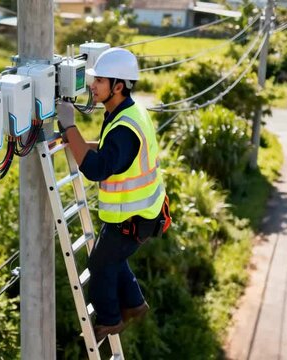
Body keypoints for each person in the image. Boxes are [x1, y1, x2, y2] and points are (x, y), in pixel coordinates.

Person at [56, 47, 171, 342]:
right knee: (114, 259)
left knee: (100, 264)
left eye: (99, 81)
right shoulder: (126, 113)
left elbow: (97, 169)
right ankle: (135, 305)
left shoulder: (124, 128)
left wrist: (70, 126)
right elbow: (109, 151)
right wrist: (77, 140)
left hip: (133, 218)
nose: (92, 86)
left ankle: (111, 321)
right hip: (140, 213)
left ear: (118, 86)